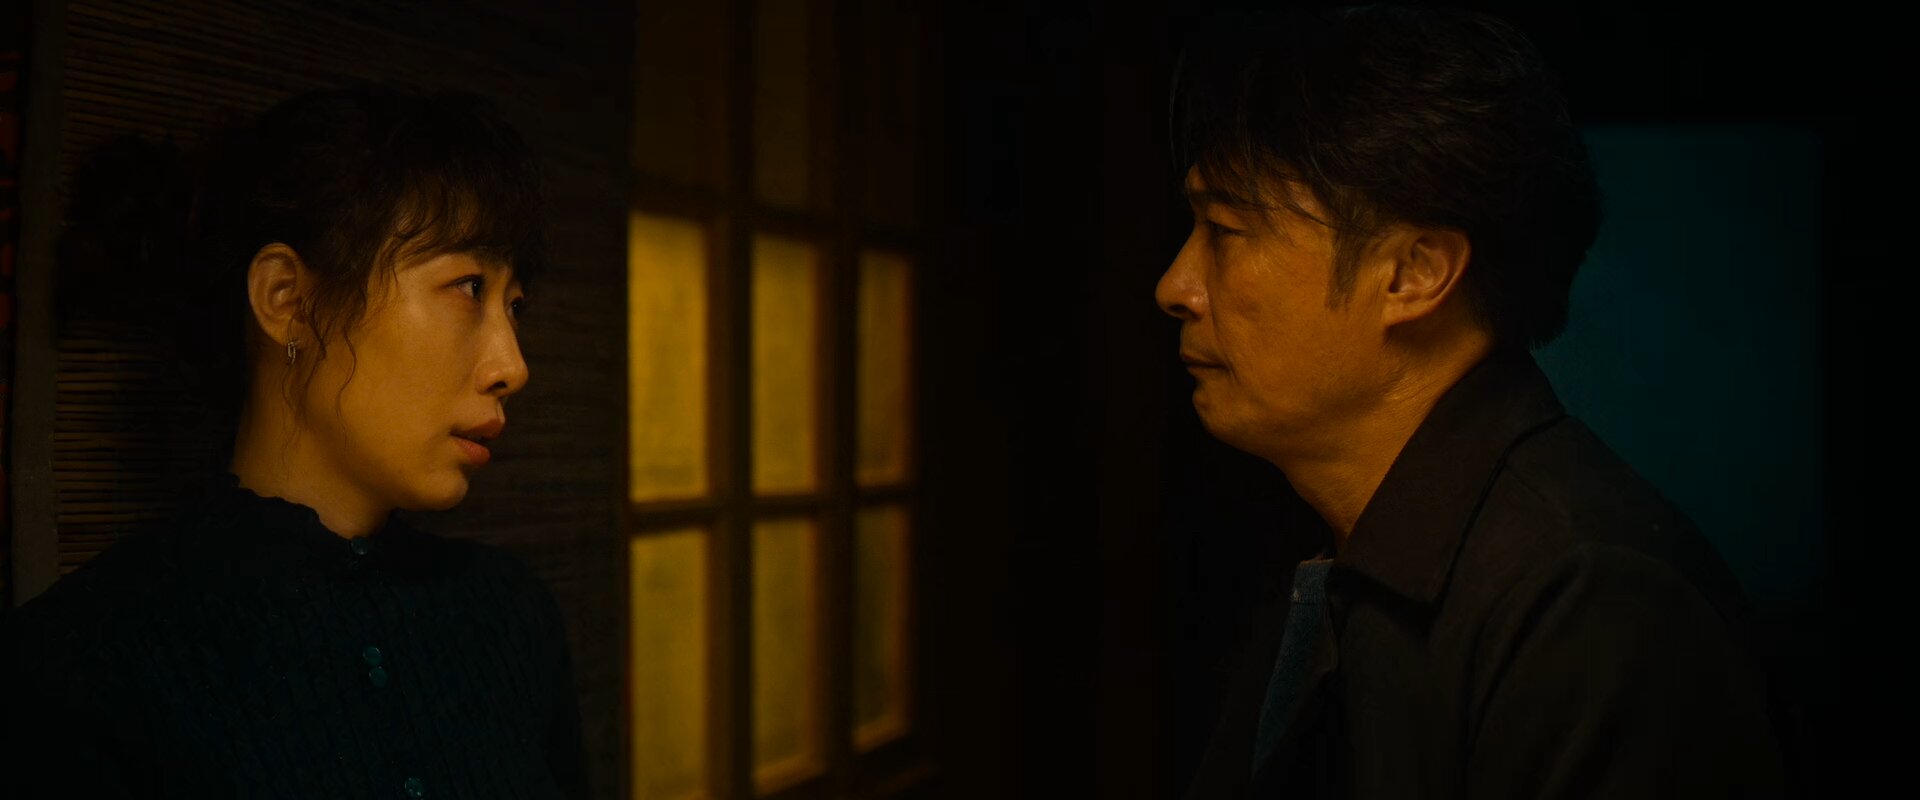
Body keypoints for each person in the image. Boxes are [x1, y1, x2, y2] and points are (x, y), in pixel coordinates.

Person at [1158, 5, 1788, 797]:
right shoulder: (1352, 565)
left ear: (1414, 273)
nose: (1175, 287)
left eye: (1225, 230)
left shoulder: (1586, 601)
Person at [0, 84, 588, 798]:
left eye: (514, 305)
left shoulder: (512, 617)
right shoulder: (85, 664)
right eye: (468, 287)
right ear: (287, 299)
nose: (513, 367)